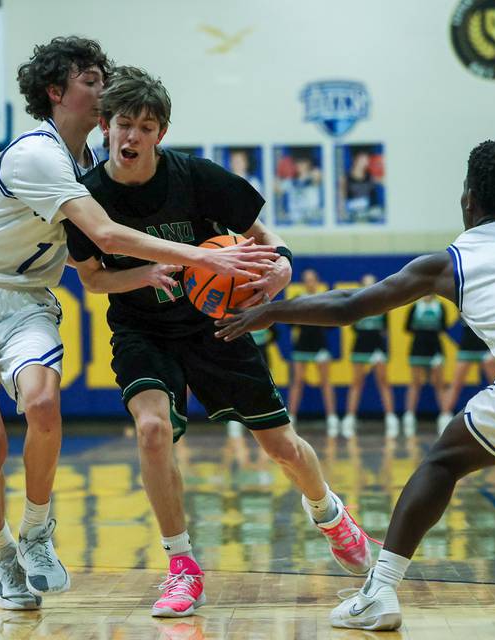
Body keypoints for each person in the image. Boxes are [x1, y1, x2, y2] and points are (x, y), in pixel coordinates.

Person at [0, 39, 276, 612]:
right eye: (92, 79)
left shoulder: (90, 163)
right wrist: (201, 259)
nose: (103, 88)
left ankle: (37, 531)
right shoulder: (37, 154)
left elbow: (84, 259)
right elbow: (107, 237)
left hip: (26, 301)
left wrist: (152, 272)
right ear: (57, 93)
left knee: (42, 406)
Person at [216, 139, 495, 631]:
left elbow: (349, 306)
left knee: (443, 463)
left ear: (470, 199)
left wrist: (271, 310)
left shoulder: (450, 261)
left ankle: (380, 591)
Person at [64, 66, 374, 618]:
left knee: (281, 448)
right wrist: (141, 275)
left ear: (160, 133)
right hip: (142, 328)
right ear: (104, 127)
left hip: (217, 326)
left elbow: (268, 240)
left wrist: (281, 268)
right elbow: (90, 278)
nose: (131, 136)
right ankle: (181, 566)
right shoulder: (86, 198)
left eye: (145, 126)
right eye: (122, 124)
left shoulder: (199, 178)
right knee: (153, 429)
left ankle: (330, 514)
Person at [340, 275, 399, 438]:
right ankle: (349, 419)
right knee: (356, 382)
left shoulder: (383, 304)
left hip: (378, 346)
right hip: (360, 346)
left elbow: (385, 329)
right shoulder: (355, 304)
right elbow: (351, 325)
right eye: (366, 285)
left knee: (383, 382)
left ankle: (391, 419)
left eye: (372, 285)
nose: (369, 287)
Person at [287, 269, 339, 435]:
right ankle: (291, 418)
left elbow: (333, 323)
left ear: (317, 281)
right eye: (306, 280)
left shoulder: (324, 298)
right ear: (303, 282)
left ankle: (332, 418)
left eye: (312, 279)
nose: (309, 282)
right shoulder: (298, 300)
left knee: (325, 381)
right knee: (298, 381)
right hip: (301, 345)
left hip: (320, 345)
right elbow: (289, 322)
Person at [437, 318, 495, 434]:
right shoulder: (465, 305)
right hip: (466, 348)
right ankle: (444, 418)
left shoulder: (490, 306)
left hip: (486, 349)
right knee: (455, 385)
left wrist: (494, 349)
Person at [402, 294, 448, 437]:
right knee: (415, 383)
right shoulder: (415, 307)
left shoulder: (440, 306)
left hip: (435, 349)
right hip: (418, 348)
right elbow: (407, 327)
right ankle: (409, 416)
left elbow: (443, 327)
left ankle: (445, 416)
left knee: (439, 383)